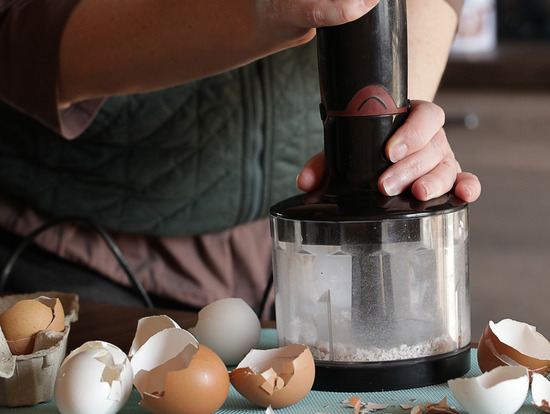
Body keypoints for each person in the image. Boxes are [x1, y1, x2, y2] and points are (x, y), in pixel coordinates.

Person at [0, 0, 481, 316]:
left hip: (290, 263)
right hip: (75, 248)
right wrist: (257, 12)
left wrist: (395, 125)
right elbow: (14, 31)